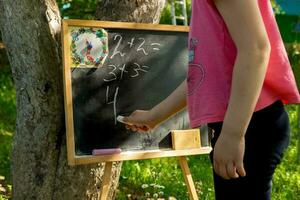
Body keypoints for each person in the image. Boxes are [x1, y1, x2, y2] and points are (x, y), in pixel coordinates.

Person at [122, 0, 300, 199]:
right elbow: (204, 78)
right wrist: (154, 116)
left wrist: (233, 134)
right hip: (243, 125)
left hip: (251, 126)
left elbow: (256, 50)